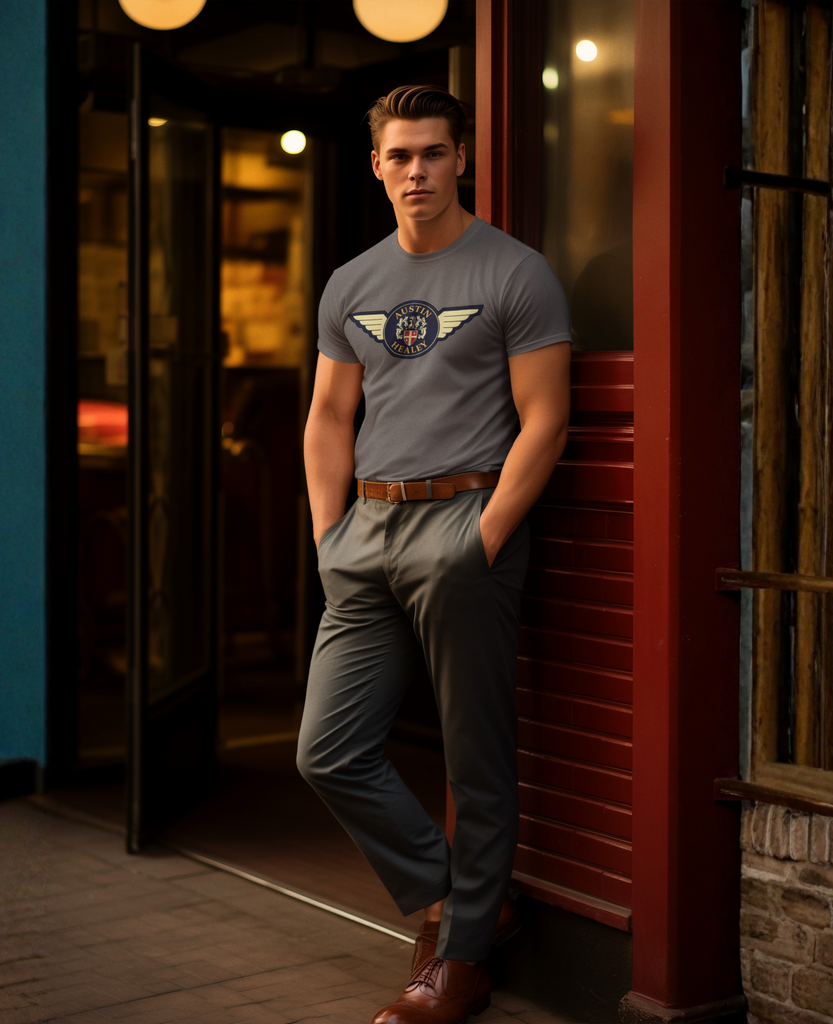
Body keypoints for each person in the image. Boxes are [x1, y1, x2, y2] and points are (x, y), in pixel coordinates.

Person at [297, 84, 572, 1024]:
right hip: (365, 533)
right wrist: (328, 537)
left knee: (476, 755)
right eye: (399, 155)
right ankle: (459, 903)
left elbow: (546, 421)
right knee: (327, 750)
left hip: (464, 524)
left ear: (463, 160)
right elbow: (330, 416)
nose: (416, 170)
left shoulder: (515, 273)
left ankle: (457, 965)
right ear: (375, 165)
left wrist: (484, 537)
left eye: (433, 154)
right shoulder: (351, 284)